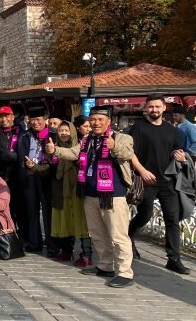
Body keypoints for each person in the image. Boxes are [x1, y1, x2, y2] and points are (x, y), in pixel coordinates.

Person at [47, 107, 136, 287]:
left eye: (100, 120)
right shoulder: (87, 140)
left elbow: (128, 154)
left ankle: (125, 272)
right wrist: (54, 150)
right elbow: (73, 153)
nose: (96, 123)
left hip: (113, 195)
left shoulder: (122, 138)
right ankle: (105, 266)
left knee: (118, 235)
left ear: (108, 122)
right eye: (93, 120)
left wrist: (114, 147)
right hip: (91, 193)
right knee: (97, 233)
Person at [128, 94, 190, 274]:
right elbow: (130, 153)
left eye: (157, 106)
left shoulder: (173, 131)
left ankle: (174, 259)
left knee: (173, 219)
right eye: (150, 107)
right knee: (145, 215)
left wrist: (181, 157)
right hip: (146, 180)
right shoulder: (138, 128)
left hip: (168, 181)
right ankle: (128, 236)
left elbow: (179, 152)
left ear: (164, 108)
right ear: (145, 108)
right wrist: (142, 171)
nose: (154, 110)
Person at [49, 121, 92, 266]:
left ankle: (86, 255)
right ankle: (67, 251)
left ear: (72, 131)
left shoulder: (81, 146)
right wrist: (33, 167)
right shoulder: (52, 146)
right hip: (61, 189)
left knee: (81, 221)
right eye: (61, 130)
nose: (63, 133)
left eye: (67, 130)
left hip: (77, 189)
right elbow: (47, 166)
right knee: (65, 219)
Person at [17, 105, 58, 254]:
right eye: (32, 119)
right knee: (32, 210)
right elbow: (20, 155)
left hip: (47, 176)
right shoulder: (24, 135)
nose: (35, 122)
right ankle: (34, 243)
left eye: (38, 119)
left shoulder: (54, 134)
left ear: (45, 119)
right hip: (29, 176)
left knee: (48, 212)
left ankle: (52, 245)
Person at [0, 106, 23, 237]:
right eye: (1, 117)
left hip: (19, 176)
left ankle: (23, 235)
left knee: (20, 208)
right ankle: (9, 235)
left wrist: (13, 156)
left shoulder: (21, 132)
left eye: (6, 116)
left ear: (12, 116)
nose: (4, 119)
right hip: (3, 177)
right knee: (5, 208)